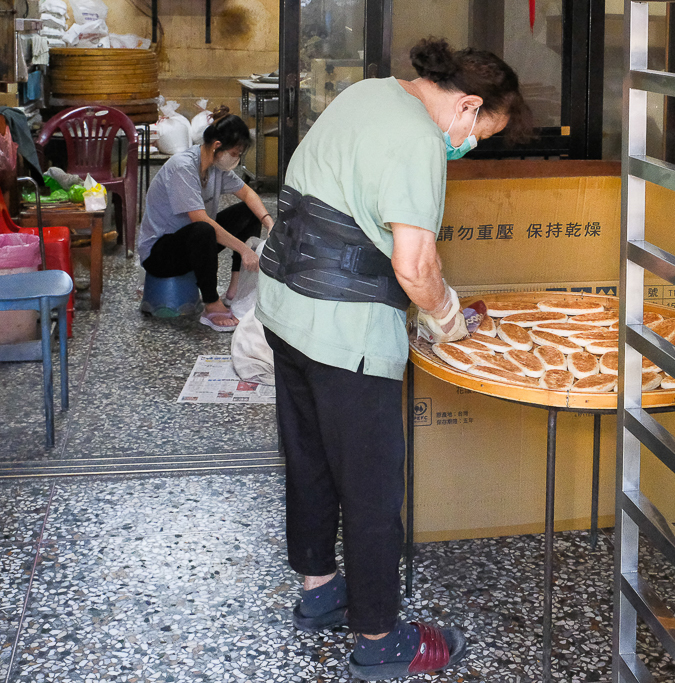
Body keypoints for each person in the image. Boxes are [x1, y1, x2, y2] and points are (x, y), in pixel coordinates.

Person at [256, 38, 531, 680]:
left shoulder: (366, 93)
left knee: (311, 460)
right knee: (373, 489)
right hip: (345, 334)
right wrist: (446, 319)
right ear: (465, 104)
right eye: (477, 133)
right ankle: (380, 639)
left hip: (286, 311)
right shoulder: (418, 140)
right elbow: (415, 266)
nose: (467, 145)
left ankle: (320, 592)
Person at [137, 114, 275, 331]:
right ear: (217, 146)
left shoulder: (216, 169)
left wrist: (269, 223)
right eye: (233, 153)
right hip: (160, 253)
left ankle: (233, 291)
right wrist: (244, 249)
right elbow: (199, 220)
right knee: (204, 228)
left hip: (194, 242)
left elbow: (248, 194)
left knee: (247, 212)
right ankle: (211, 304)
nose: (235, 159)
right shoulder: (182, 167)